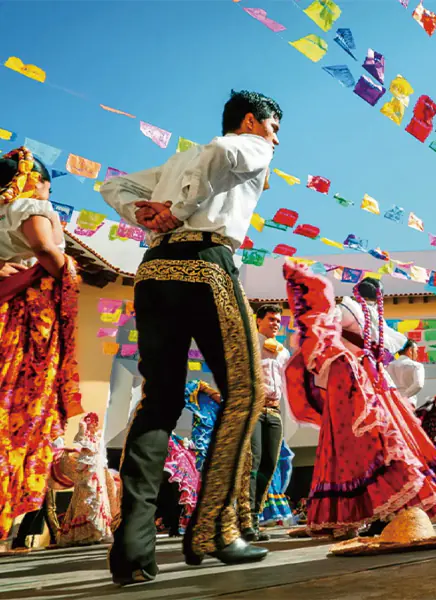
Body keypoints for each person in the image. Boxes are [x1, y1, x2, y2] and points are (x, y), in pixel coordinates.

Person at [101, 90, 282, 583]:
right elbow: (223, 154)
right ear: (252, 120)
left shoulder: (177, 157)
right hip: (206, 266)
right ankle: (216, 529)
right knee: (247, 392)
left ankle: (133, 552)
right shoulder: (246, 145)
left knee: (159, 401)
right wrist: (180, 210)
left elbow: (113, 185)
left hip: (154, 271)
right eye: (274, 126)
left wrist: (145, 215)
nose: (277, 138)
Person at [281, 263, 436, 538]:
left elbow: (321, 330)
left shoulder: (348, 310)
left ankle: (360, 515)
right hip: (379, 384)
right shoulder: (381, 322)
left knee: (350, 447)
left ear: (357, 292)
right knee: (386, 444)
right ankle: (386, 511)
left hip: (353, 385)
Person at [0, 147, 82, 542]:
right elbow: (46, 251)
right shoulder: (30, 206)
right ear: (37, 181)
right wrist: (69, 270)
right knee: (16, 406)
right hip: (21, 320)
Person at [239, 304, 290, 542]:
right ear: (258, 321)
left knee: (270, 465)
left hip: (275, 412)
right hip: (254, 409)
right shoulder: (249, 344)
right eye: (271, 319)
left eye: (278, 320)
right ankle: (245, 520)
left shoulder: (283, 352)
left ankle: (256, 518)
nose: (275, 324)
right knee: (254, 462)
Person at [57, 413, 116, 547]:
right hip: (87, 472)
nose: (93, 423)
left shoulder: (99, 437)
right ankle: (85, 533)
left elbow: (100, 456)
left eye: (94, 421)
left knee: (98, 498)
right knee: (84, 499)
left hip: (97, 471)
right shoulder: (84, 436)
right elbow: (80, 448)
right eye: (90, 421)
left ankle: (98, 531)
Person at [387, 339, 426, 408]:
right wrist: (403, 396)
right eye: (416, 351)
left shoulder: (387, 366)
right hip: (408, 403)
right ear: (410, 350)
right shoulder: (417, 366)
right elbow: (418, 384)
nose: (417, 354)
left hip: (391, 404)